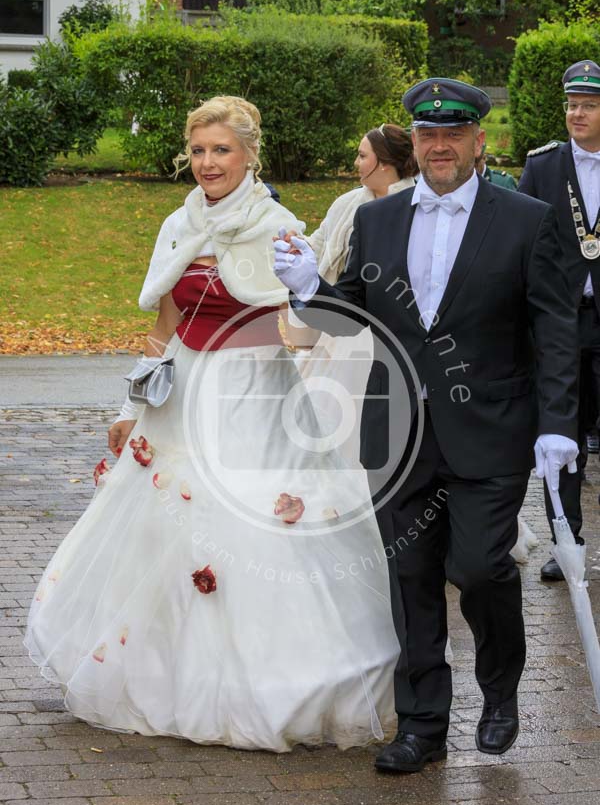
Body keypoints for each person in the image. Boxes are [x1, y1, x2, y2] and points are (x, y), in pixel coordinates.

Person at [24, 95, 400, 752]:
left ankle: (268, 685)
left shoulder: (279, 227)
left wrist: (298, 300)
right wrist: (129, 408)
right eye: (198, 151)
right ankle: (165, 676)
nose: (208, 162)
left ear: (250, 154)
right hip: (180, 396)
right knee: (160, 533)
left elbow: (308, 326)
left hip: (253, 397)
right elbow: (164, 327)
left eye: (221, 149)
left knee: (253, 532)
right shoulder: (180, 223)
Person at [274, 77, 579, 772]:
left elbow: (555, 327)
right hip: (398, 435)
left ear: (478, 141)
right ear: (413, 143)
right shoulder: (377, 220)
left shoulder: (527, 219)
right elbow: (349, 317)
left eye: (453, 134)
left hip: (492, 429)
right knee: (410, 576)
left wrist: (559, 421)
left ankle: (499, 693)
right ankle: (421, 726)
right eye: (428, 135)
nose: (441, 146)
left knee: (479, 568)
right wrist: (308, 289)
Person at [286, 124, 417, 465]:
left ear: (383, 162)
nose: (356, 163)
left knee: (369, 424)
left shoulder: (415, 206)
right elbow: (318, 244)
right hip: (340, 328)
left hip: (385, 334)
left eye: (362, 156)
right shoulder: (348, 203)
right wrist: (295, 249)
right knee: (323, 418)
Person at [519, 60, 600, 581]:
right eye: (572, 105)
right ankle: (566, 542)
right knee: (561, 436)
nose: (577, 113)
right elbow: (521, 241)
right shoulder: (543, 166)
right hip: (558, 323)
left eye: (588, 105)